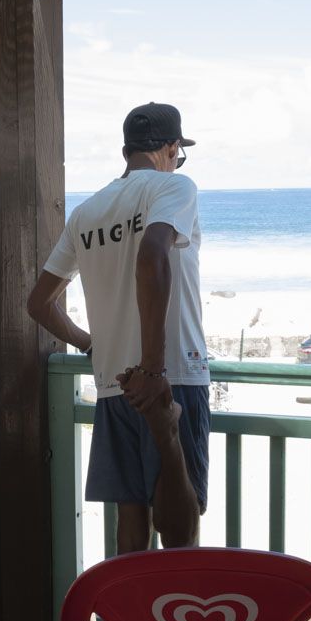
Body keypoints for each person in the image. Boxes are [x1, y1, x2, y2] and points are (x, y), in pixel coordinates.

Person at [27, 102, 210, 551]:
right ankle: (176, 616)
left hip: (115, 383)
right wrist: (153, 367)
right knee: (181, 523)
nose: (177, 161)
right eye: (178, 153)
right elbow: (152, 254)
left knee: (132, 515)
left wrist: (92, 345)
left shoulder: (88, 211)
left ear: (127, 150)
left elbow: (39, 303)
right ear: (170, 149)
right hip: (170, 376)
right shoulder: (173, 187)